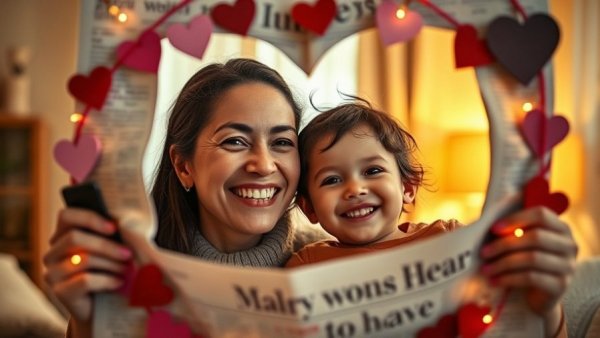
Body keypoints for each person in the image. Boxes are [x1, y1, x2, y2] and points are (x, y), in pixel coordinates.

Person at [43, 58, 324, 338]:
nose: (264, 165)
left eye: (282, 143)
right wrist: (89, 325)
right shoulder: (130, 272)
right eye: (235, 141)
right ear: (183, 166)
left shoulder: (330, 260)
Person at [286, 99, 576, 337]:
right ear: (309, 207)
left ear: (408, 189)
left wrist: (545, 307)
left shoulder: (450, 238)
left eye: (373, 171)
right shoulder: (305, 264)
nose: (355, 189)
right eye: (332, 180)